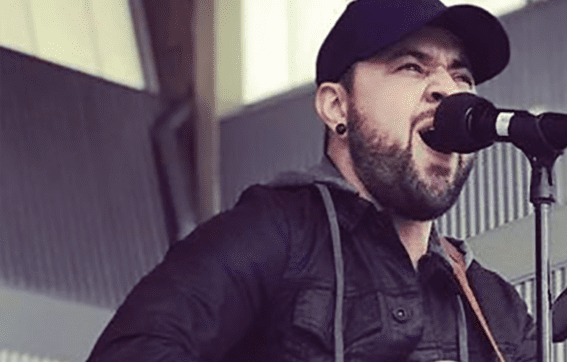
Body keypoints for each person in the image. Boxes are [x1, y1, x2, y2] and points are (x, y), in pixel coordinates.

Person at [87, 0, 536, 361]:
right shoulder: (271, 233)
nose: (448, 90)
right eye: (411, 67)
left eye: (462, 76)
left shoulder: (497, 310)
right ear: (337, 107)